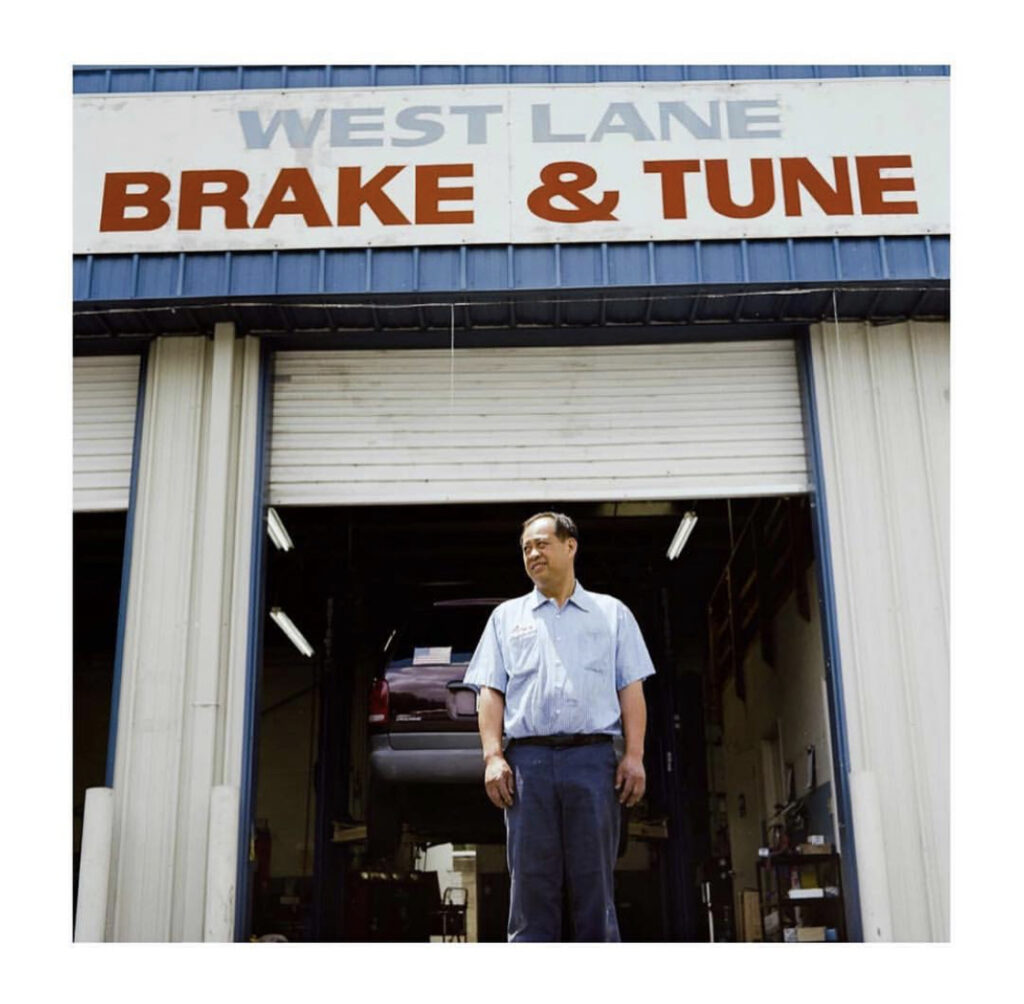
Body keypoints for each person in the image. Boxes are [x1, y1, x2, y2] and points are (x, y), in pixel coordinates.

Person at [463, 511, 656, 942]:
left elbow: (631, 689)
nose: (532, 554)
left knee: (594, 881)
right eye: (526, 548)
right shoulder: (506, 618)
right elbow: (489, 691)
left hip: (592, 759)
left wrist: (635, 756)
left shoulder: (612, 614)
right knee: (530, 883)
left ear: (570, 546)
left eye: (541, 544)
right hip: (527, 763)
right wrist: (493, 756)